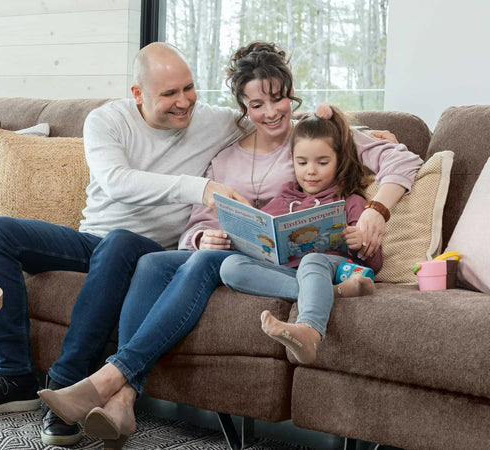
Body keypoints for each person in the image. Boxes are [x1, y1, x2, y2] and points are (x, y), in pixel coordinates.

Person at [37, 41, 422, 449]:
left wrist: (376, 210)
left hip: (280, 262)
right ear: (242, 109)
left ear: (292, 95)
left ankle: (115, 378)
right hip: (238, 254)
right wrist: (202, 237)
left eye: (279, 99)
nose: (271, 112)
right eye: (257, 105)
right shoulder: (223, 157)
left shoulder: (311, 141)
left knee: (208, 263)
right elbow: (198, 221)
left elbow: (402, 159)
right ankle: (124, 398)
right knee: (153, 262)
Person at [0, 42, 251, 446]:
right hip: (93, 241)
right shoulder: (106, 120)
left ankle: (66, 387)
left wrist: (327, 118)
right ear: (138, 94)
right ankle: (13, 376)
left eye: (189, 88)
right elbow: (116, 181)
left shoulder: (214, 121)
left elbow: (280, 121)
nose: (185, 102)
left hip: (151, 252)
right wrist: (204, 188)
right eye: (169, 94)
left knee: (123, 242)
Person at [219, 103, 382, 365]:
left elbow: (375, 264)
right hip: (290, 272)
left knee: (312, 260)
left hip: (331, 265)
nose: (311, 171)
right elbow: (262, 236)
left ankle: (309, 331)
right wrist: (241, 237)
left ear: (339, 160)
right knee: (229, 267)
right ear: (292, 160)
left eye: (322, 162)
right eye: (302, 162)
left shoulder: (350, 201)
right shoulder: (284, 199)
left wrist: (360, 243)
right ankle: (333, 292)